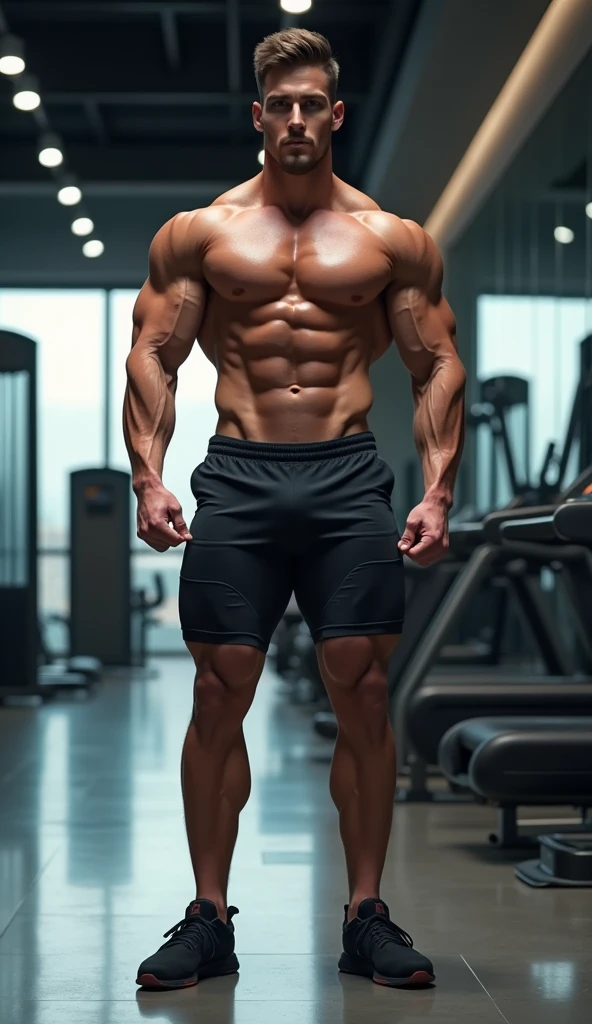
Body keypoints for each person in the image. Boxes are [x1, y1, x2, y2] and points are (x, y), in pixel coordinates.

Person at [124, 28, 465, 992]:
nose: (299, 119)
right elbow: (153, 353)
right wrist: (149, 475)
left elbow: (436, 362)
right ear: (261, 115)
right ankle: (208, 914)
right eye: (283, 104)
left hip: (347, 478)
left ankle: (366, 914)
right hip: (237, 476)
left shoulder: (389, 241)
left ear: (337, 113)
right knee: (215, 693)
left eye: (315, 103)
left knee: (362, 693)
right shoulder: (204, 233)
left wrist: (438, 490)